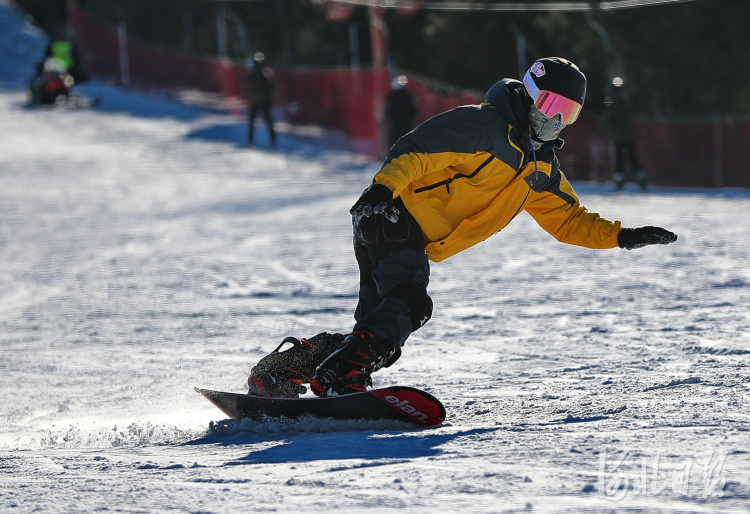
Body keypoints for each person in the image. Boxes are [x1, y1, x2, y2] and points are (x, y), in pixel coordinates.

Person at [247, 57, 677, 398]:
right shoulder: (485, 126)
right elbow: (417, 151)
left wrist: (620, 236)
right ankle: (342, 374)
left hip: (398, 224)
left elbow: (568, 220)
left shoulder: (541, 170)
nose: (556, 120)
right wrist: (384, 188)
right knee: (409, 303)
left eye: (569, 113)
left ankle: (291, 369)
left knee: (381, 324)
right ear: (528, 96)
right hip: (394, 212)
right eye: (550, 106)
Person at [603, 78, 647, 191]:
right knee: (633, 159)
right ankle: (641, 180)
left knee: (618, 160)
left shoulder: (613, 105)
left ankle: (619, 182)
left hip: (618, 138)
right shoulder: (626, 104)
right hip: (629, 137)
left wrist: (599, 132)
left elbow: (608, 120)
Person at [245, 52, 276, 147]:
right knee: (265, 122)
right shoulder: (262, 74)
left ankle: (251, 141)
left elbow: (247, 88)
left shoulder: (256, 74)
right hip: (261, 102)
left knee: (254, 123)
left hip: (258, 102)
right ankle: (271, 140)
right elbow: (270, 88)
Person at [386, 75, 418, 147]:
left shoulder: (392, 97)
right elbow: (413, 110)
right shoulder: (408, 96)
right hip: (406, 123)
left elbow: (389, 111)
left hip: (395, 124)